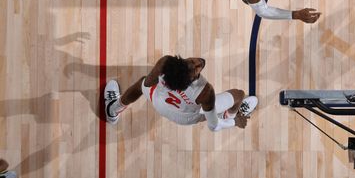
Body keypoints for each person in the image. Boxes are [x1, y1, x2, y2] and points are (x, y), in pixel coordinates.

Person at [103, 55, 257, 132]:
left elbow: (147, 84)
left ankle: (113, 109)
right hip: (185, 116)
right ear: (190, 82)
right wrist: (234, 123)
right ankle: (229, 115)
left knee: (140, 84)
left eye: (191, 62)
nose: (200, 63)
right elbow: (213, 126)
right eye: (196, 70)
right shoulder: (205, 92)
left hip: (159, 101)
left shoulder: (165, 63)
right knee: (239, 94)